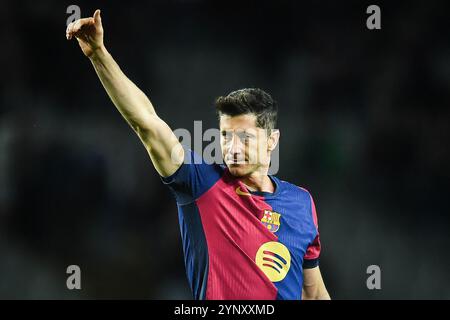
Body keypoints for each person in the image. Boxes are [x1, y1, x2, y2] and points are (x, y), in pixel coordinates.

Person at [66, 9, 330, 300]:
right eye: (226, 137)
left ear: (272, 141)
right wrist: (99, 55)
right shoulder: (202, 183)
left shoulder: (301, 202)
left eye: (245, 138)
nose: (232, 148)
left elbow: (314, 293)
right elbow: (148, 124)